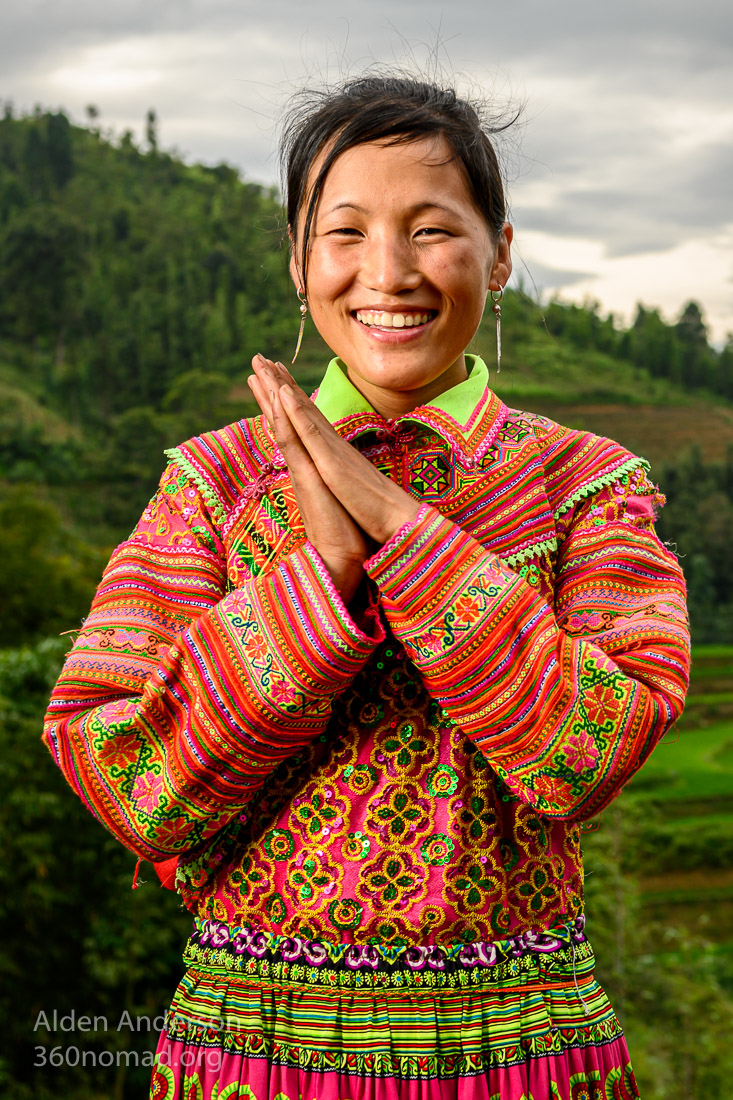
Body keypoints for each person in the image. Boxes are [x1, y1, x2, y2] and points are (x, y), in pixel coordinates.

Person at [44, 75, 690, 1100]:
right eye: (343, 232)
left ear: (502, 252)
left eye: (432, 229)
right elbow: (117, 773)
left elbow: (593, 749)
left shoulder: (587, 486)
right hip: (246, 1056)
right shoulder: (212, 481)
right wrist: (318, 578)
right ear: (298, 260)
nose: (387, 271)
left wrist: (398, 531)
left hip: (518, 1052)